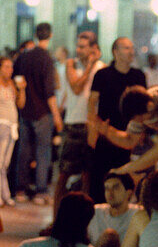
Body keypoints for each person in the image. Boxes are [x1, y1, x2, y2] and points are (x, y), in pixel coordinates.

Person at [87, 37, 146, 203]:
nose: (131, 52)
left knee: (125, 181)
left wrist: (141, 132)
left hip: (130, 136)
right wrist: (93, 129)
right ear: (115, 52)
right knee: (100, 180)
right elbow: (92, 102)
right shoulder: (103, 75)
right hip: (106, 134)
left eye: (132, 48)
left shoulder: (138, 76)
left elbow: (143, 108)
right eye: (126, 48)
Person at [54, 31, 104, 212]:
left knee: (87, 175)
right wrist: (90, 65)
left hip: (91, 126)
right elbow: (76, 88)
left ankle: (83, 219)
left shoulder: (101, 67)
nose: (78, 49)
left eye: (83, 46)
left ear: (93, 48)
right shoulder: (71, 64)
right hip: (74, 124)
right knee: (64, 174)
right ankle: (56, 218)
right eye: (78, 46)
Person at [14, 22, 64, 204]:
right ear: (50, 36)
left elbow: (16, 77)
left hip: (25, 109)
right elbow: (49, 91)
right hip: (42, 112)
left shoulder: (24, 56)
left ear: (36, 35)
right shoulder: (46, 58)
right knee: (43, 151)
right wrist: (57, 116)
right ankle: (41, 191)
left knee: (24, 150)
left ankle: (20, 189)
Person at [87, 172, 140, 247]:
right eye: (107, 188)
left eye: (116, 187)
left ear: (129, 193)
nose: (110, 193)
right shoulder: (95, 212)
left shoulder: (138, 214)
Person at [0, 56, 25, 206]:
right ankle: (4, 194)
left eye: (11, 67)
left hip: (12, 127)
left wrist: (22, 89)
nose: (10, 70)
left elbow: (20, 104)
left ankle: (5, 194)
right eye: (6, 67)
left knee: (5, 163)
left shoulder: (11, 84)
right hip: (2, 125)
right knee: (0, 161)